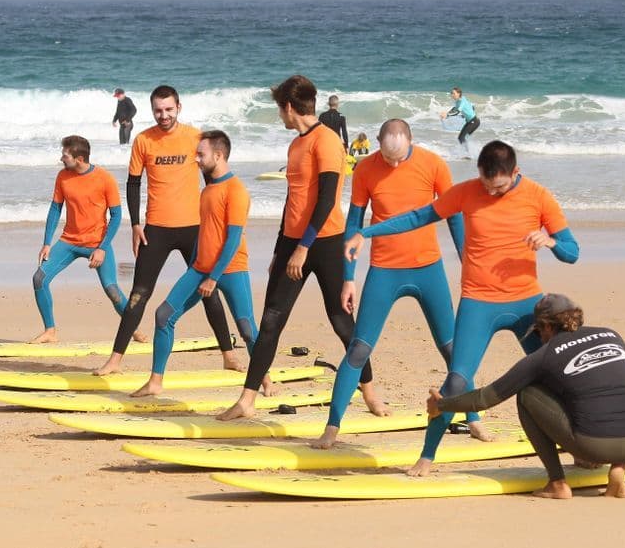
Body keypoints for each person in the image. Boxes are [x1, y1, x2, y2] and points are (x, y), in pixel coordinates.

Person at [345, 140, 580, 475]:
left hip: (527, 303)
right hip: (478, 303)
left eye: (498, 186)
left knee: (556, 376)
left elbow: (573, 252)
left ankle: (582, 445)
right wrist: (365, 233)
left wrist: (551, 242)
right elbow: (418, 217)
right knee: (456, 381)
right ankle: (427, 456)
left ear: (515, 173)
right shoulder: (467, 192)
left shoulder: (539, 197)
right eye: (486, 184)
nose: (491, 192)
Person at [217, 75, 382, 421]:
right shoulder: (295, 145)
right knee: (272, 320)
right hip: (294, 243)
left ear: (289, 107)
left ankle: (369, 390)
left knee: (341, 321)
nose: (280, 116)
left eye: (280, 109)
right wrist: (282, 248)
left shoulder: (327, 142)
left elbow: (325, 201)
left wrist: (303, 248)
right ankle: (247, 399)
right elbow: (293, 201)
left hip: (323, 242)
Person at [312, 119, 472, 449]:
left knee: (452, 349)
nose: (394, 164)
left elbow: (454, 215)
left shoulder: (434, 164)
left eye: (400, 158)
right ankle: (331, 427)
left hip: (429, 269)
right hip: (384, 270)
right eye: (388, 158)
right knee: (358, 348)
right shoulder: (367, 169)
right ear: (378, 145)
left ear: (412, 141)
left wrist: (468, 263)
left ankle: (474, 418)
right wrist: (348, 278)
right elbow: (354, 225)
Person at [427, 293, 625, 499]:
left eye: (537, 331)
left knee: (526, 394)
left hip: (595, 446)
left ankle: (557, 483)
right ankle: (619, 467)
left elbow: (484, 398)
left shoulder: (544, 355)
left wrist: (443, 404)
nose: (539, 338)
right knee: (608, 393)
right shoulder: (611, 335)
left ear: (546, 326)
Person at [94, 85, 240, 375]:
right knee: (139, 295)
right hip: (155, 229)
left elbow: (214, 178)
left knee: (209, 291)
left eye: (169, 109)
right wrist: (135, 224)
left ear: (179, 107)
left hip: (194, 229)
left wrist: (220, 221)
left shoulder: (195, 138)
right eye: (158, 110)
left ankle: (228, 354)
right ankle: (115, 360)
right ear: (152, 110)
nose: (163, 115)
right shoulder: (143, 141)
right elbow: (133, 183)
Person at [131, 131, 258, 397]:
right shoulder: (208, 190)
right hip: (200, 268)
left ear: (219, 155)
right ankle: (155, 381)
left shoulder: (236, 190)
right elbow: (205, 233)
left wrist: (214, 277)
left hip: (231, 269)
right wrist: (198, 268)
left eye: (201, 154)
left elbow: (233, 239)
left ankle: (263, 378)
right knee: (163, 315)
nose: (196, 159)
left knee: (246, 328)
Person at [30, 135, 130, 343]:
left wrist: (102, 248)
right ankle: (50, 331)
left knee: (111, 289)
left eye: (65, 155)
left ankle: (133, 328)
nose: (61, 158)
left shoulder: (105, 178)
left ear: (80, 158)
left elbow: (117, 216)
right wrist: (47, 242)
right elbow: (56, 208)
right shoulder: (63, 177)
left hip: (97, 243)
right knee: (39, 278)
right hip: (69, 241)